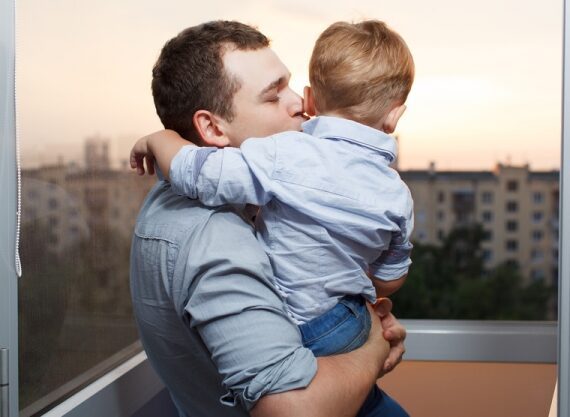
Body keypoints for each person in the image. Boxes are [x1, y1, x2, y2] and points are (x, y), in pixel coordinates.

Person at [133, 20, 413, 416]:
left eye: (290, 84)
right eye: (272, 95)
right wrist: (371, 344)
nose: (300, 101)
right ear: (212, 128)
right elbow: (293, 411)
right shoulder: (214, 239)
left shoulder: (256, 198)